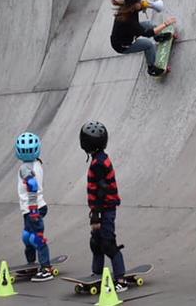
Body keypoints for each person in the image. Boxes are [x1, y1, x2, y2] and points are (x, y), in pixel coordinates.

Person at [79, 121, 129, 291]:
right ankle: (97, 274)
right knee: (96, 242)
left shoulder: (99, 163)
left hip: (105, 209)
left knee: (107, 243)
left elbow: (101, 191)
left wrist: (96, 215)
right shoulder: (99, 159)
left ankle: (121, 279)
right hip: (102, 208)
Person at [110, 0, 176, 77]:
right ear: (133, 5)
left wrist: (150, 5)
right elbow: (148, 33)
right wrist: (166, 24)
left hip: (127, 32)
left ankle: (158, 37)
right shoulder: (129, 21)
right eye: (139, 0)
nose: (141, 1)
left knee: (150, 24)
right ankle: (151, 68)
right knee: (148, 45)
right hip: (123, 45)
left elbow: (125, 0)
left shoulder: (128, 5)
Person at [15, 132, 54, 281]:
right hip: (35, 207)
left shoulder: (25, 168)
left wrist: (32, 209)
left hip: (33, 209)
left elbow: (32, 185)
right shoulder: (37, 163)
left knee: (36, 238)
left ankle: (46, 268)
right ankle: (31, 265)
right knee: (27, 237)